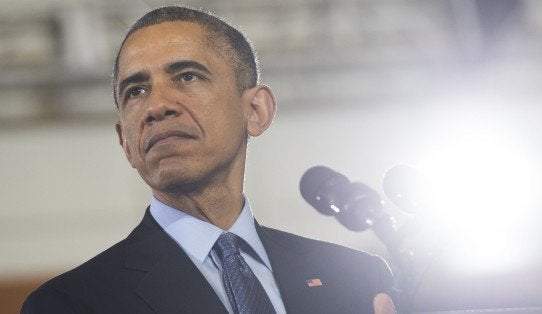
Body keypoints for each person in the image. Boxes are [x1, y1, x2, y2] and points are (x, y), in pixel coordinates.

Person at [21, 6, 395, 314]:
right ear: (125, 142)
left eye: (186, 76)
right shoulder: (70, 304)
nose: (157, 106)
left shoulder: (357, 281)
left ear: (255, 110)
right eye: (135, 90)